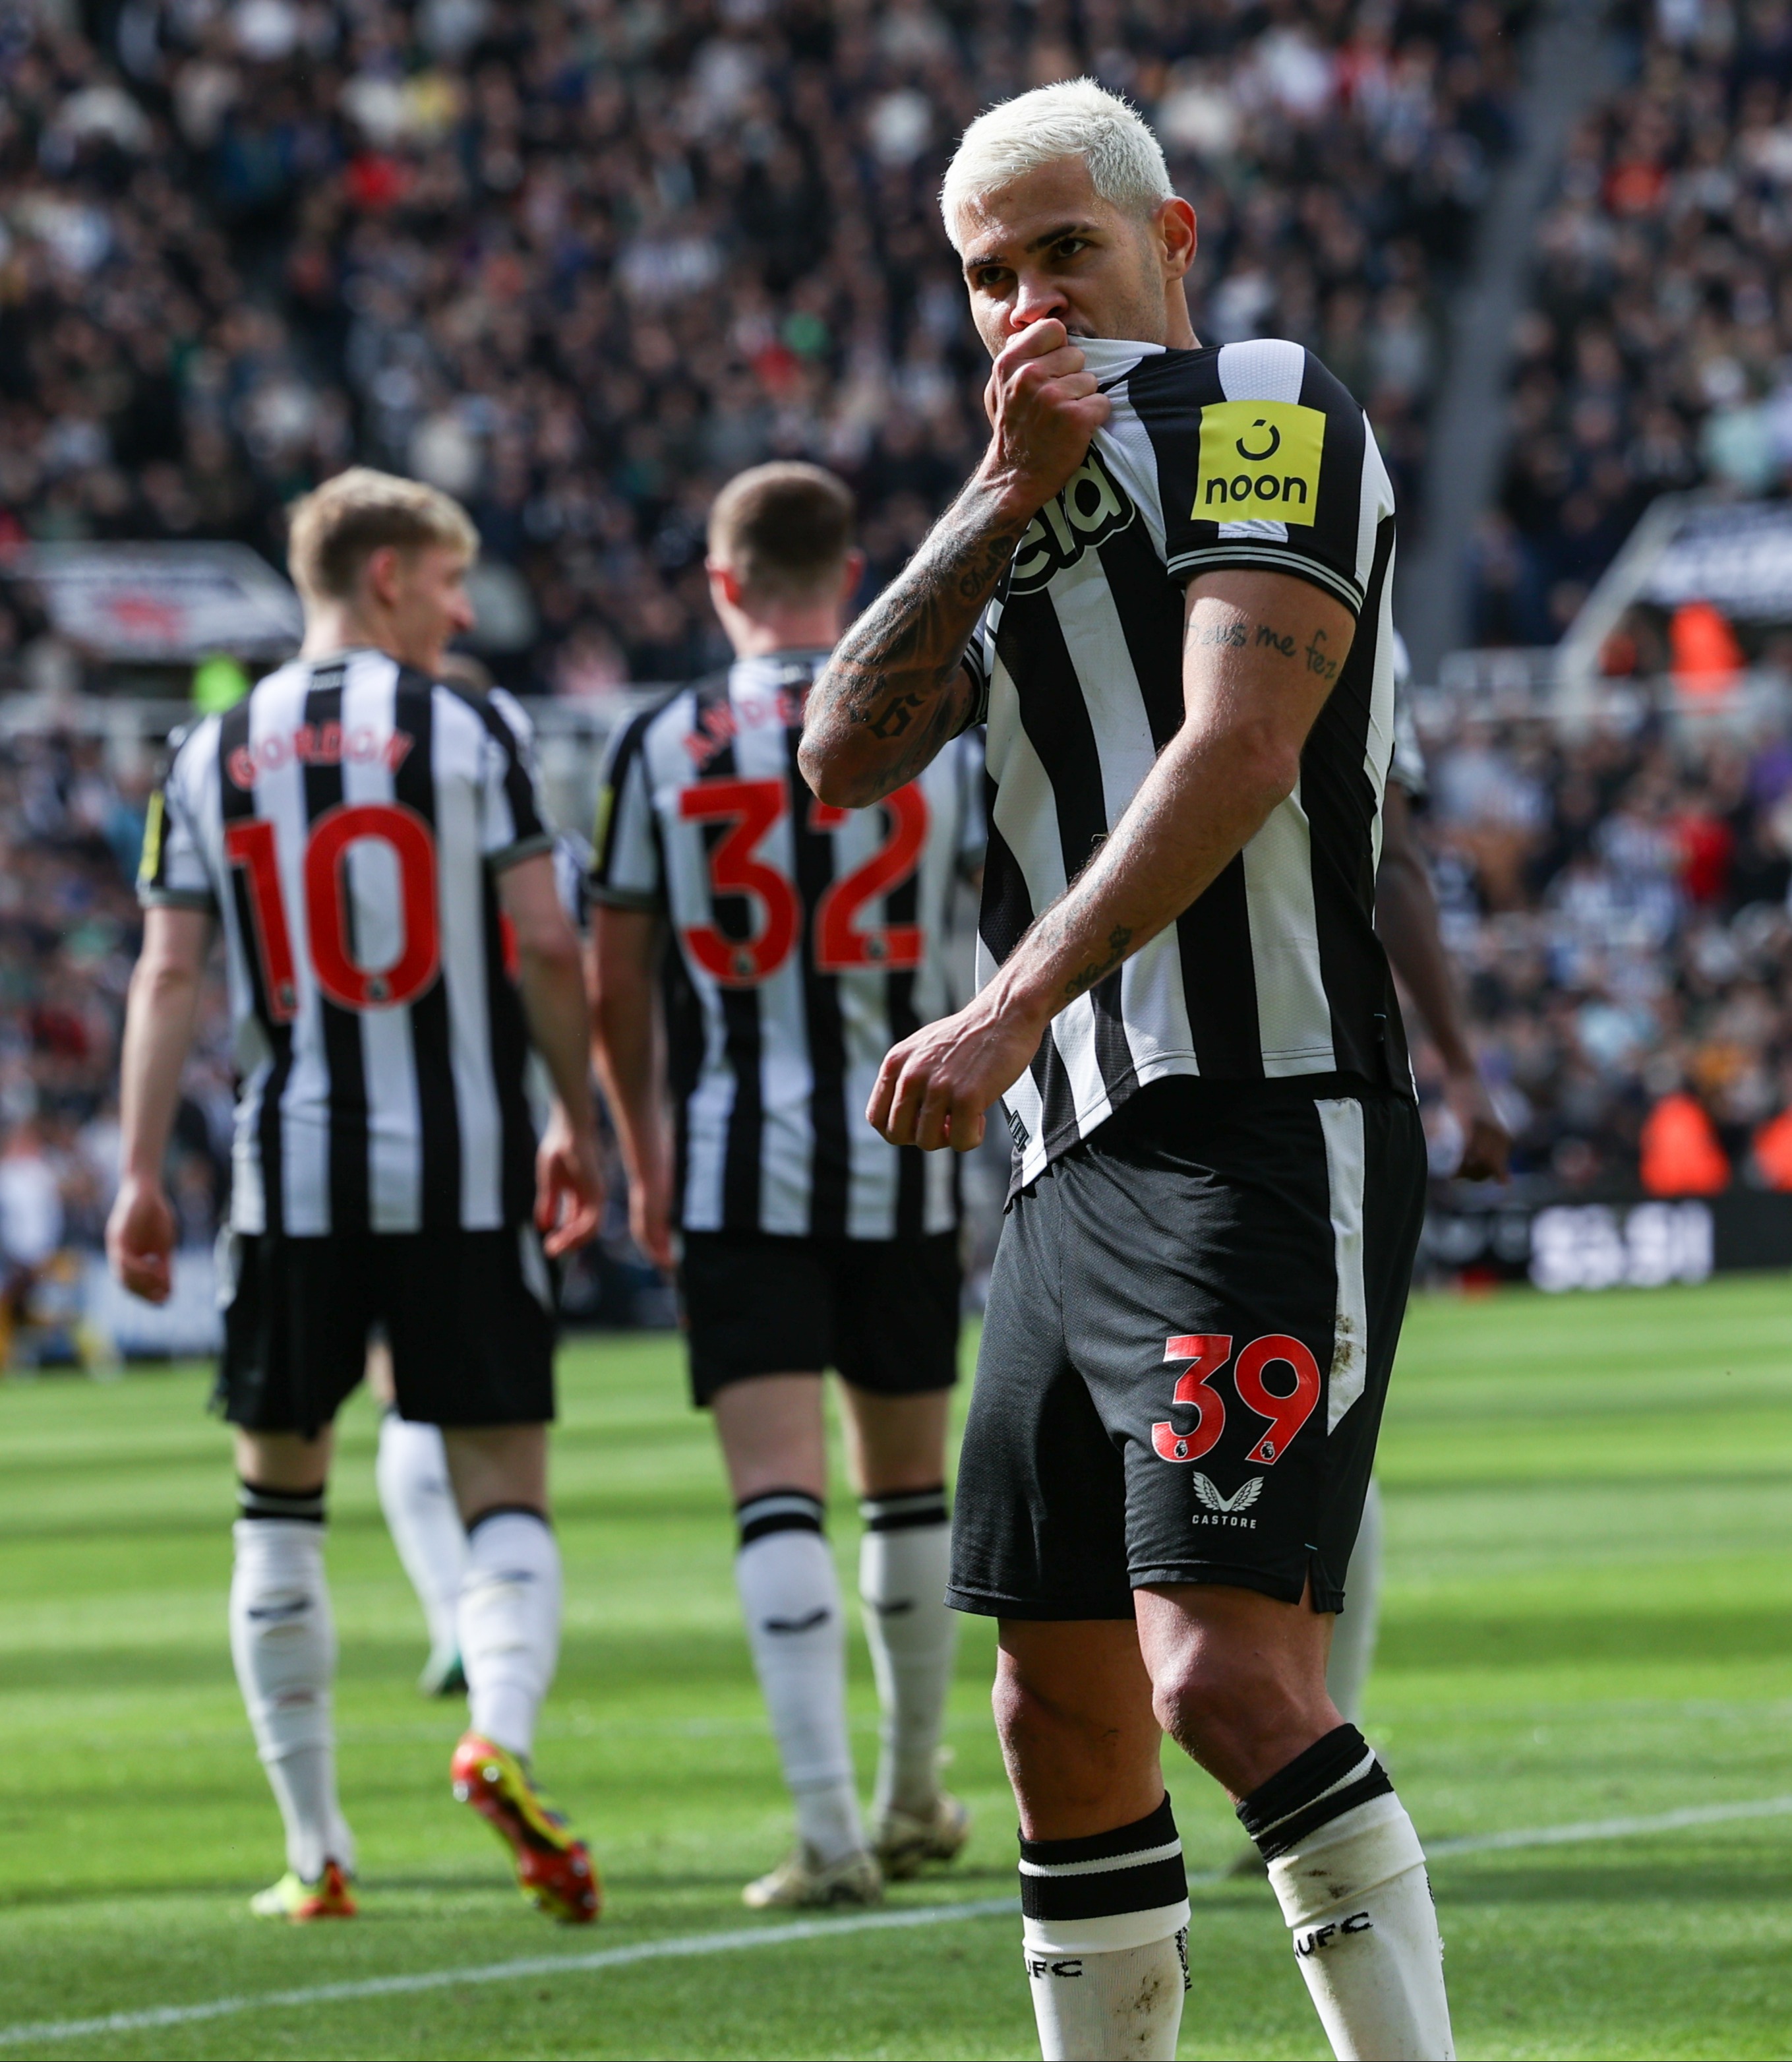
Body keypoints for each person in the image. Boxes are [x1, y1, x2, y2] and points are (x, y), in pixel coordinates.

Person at [800, 79, 1452, 2062]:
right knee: (1054, 1704)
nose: (1025, 306)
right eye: (985, 277)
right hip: (1064, 1172)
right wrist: (993, 497)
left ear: (1168, 243)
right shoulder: (1002, 490)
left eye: (1060, 252)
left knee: (1224, 1681)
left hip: (1259, 1120)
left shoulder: (1261, 396)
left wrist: (999, 1006)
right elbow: (838, 749)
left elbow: (1239, 746)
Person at [107, 467, 604, 1925]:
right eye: (451, 586)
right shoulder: (471, 733)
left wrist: (140, 1172)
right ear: (385, 575)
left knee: (278, 1504)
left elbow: (168, 975)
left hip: (290, 1181)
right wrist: (570, 1121)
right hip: (459, 1172)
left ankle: (317, 1849)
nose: (463, 616)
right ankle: (496, 1736)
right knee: (506, 1482)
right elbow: (547, 949)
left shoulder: (203, 751)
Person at [588, 461, 984, 1910]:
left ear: (724, 579)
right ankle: (910, 1796)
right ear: (854, 566)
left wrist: (641, 1151)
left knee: (774, 1497)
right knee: (905, 1487)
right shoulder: (939, 718)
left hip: (735, 1154)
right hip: (912, 1147)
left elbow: (616, 978)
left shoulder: (663, 740)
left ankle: (824, 1834)